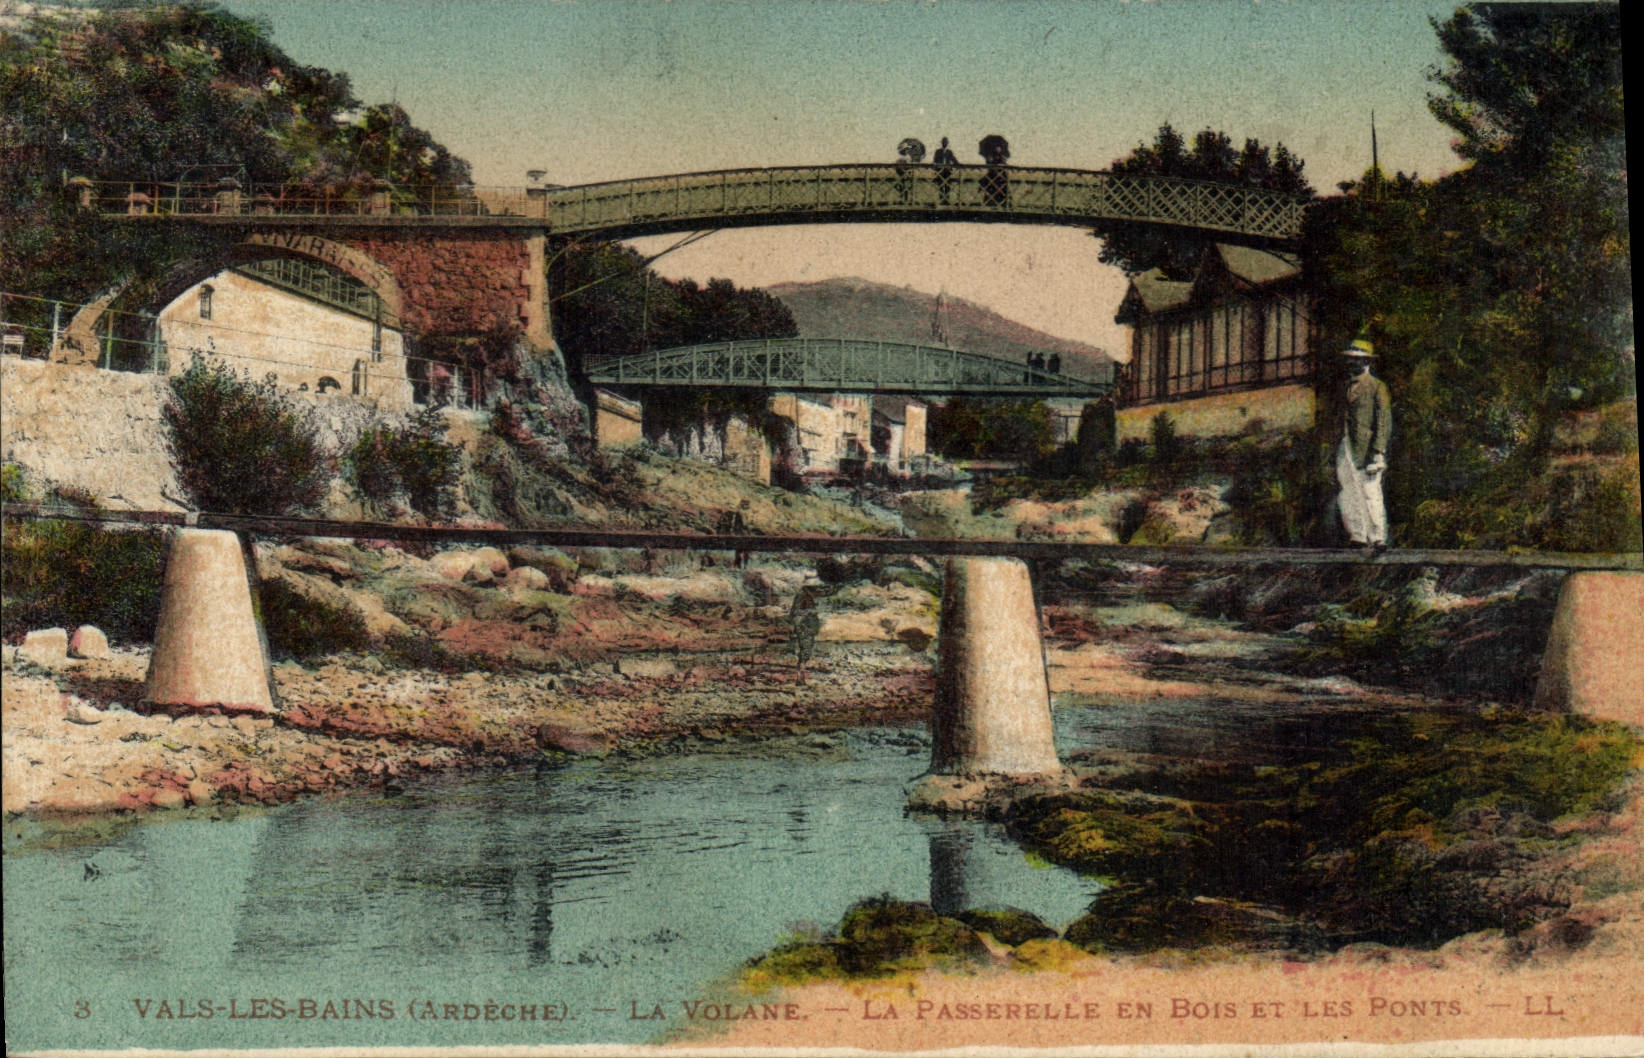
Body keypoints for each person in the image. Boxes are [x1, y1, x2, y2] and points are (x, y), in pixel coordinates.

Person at [1335, 337, 1393, 551]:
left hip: (1368, 447)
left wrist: (1378, 450)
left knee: (1371, 491)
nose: (1352, 363)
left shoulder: (1377, 387)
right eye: (1350, 359)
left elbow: (1384, 419)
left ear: (1367, 362)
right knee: (1348, 491)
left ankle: (1378, 537)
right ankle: (1358, 536)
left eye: (1357, 360)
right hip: (1346, 445)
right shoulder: (1344, 387)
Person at [932, 136, 958, 205]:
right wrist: (935, 169)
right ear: (942, 143)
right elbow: (935, 161)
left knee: (947, 186)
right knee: (940, 186)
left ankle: (946, 200)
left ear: (947, 143)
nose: (945, 143)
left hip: (947, 172)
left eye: (946, 142)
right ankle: (941, 200)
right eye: (943, 142)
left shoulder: (949, 152)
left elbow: (954, 160)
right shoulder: (938, 152)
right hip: (940, 171)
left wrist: (958, 165)